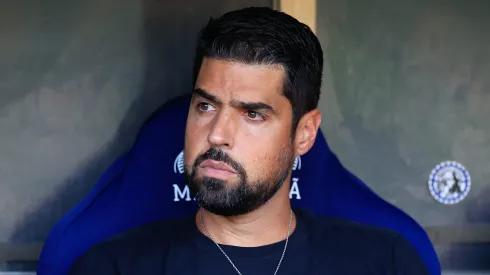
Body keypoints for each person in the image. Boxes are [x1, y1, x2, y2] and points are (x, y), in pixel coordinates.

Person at [70, 6, 429, 275]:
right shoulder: (112, 267)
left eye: (253, 114)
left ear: (304, 134)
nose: (217, 134)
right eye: (206, 105)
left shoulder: (386, 263)